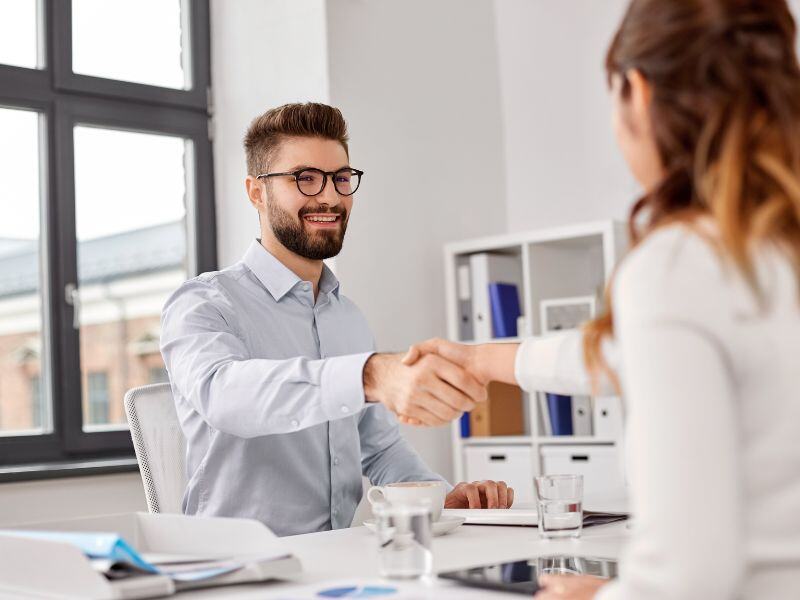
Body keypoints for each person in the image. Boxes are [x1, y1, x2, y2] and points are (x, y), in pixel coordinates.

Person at [405, 0, 800, 598]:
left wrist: (594, 596)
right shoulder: (769, 250)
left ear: (638, 94)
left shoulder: (678, 266)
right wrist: (479, 360)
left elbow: (687, 577)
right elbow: (619, 354)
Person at [160, 103, 513, 537]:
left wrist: (441, 498)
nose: (328, 196)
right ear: (256, 192)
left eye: (340, 179)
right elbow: (224, 397)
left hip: (339, 561)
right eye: (304, 178)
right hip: (239, 570)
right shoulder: (204, 303)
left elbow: (379, 446)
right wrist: (367, 375)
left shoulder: (346, 316)